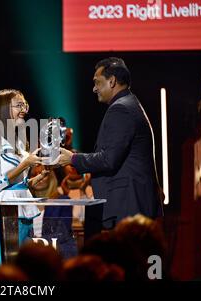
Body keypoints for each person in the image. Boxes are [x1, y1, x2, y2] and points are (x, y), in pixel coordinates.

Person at [59, 57, 163, 240]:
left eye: (97, 82)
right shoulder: (129, 104)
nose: (94, 88)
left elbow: (108, 159)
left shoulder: (121, 109)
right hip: (132, 203)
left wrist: (72, 159)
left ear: (112, 81)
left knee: (132, 264)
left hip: (129, 205)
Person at [0, 89, 48, 266]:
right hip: (2, 211)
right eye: (18, 105)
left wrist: (32, 181)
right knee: (3, 264)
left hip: (23, 207)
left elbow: (16, 184)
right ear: (3, 109)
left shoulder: (19, 141)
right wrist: (25, 163)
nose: (23, 109)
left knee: (23, 265)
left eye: (25, 104)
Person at [28, 165, 78, 259]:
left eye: (43, 174)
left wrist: (35, 243)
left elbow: (62, 233)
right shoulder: (25, 203)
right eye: (34, 174)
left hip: (56, 252)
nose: (39, 178)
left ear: (51, 178)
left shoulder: (63, 201)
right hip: (31, 253)